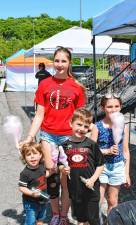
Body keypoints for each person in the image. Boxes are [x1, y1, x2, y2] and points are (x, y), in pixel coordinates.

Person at [20, 47, 86, 225]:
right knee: (50, 174)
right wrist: (29, 137)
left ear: (69, 62)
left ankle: (64, 215)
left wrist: (87, 138)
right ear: (53, 62)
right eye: (57, 61)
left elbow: (81, 117)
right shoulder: (45, 84)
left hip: (68, 138)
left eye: (64, 61)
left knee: (66, 178)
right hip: (48, 135)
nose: (60, 65)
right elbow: (39, 114)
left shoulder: (77, 87)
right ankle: (55, 213)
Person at [61, 108, 104, 225]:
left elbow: (100, 165)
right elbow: (60, 165)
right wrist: (63, 170)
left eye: (86, 126)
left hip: (91, 189)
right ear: (71, 123)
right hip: (75, 189)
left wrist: (93, 179)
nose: (82, 129)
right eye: (79, 124)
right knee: (81, 219)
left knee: (93, 219)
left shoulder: (92, 144)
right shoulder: (64, 146)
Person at [91, 93, 131, 214]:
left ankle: (110, 221)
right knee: (98, 199)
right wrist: (107, 151)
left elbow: (125, 151)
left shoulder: (124, 126)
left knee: (113, 201)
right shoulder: (97, 126)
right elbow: (91, 150)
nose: (113, 109)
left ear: (121, 106)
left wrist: (126, 174)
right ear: (103, 108)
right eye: (109, 107)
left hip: (117, 166)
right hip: (100, 167)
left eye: (116, 106)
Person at [18, 142, 51, 225]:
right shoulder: (25, 173)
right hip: (30, 201)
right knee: (31, 220)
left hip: (43, 198)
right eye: (28, 155)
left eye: (35, 153)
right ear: (24, 158)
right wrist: (32, 193)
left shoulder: (42, 166)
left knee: (41, 217)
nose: (32, 156)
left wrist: (52, 172)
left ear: (40, 155)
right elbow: (21, 187)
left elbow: (45, 175)